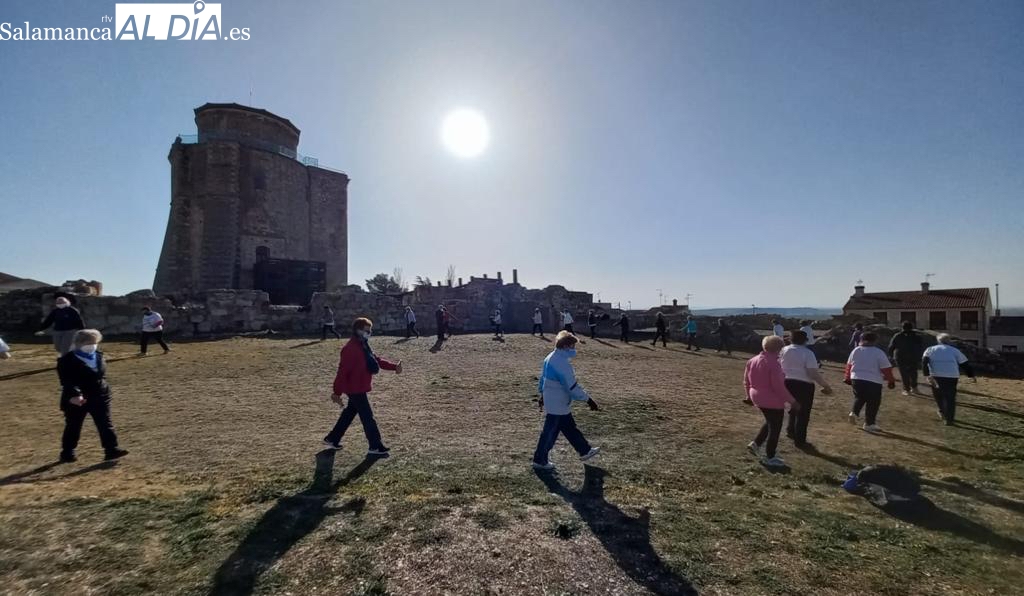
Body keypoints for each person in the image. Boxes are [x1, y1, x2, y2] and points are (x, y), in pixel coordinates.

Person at [323, 317, 403, 456]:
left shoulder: (363, 345)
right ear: (358, 330)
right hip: (355, 389)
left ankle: (332, 438)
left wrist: (394, 367)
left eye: (370, 330)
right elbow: (342, 372)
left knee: (349, 414)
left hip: (359, 387)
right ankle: (375, 446)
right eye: (367, 330)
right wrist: (336, 392)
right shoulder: (350, 349)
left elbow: (376, 361)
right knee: (367, 417)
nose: (369, 333)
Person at [56, 329, 128, 463]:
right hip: (77, 399)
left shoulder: (99, 356)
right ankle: (67, 452)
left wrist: (105, 389)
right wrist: (75, 395)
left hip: (99, 395)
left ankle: (111, 449)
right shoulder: (66, 360)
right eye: (89, 343)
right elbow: (67, 381)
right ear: (79, 343)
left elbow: (101, 375)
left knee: (105, 423)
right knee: (73, 425)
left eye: (94, 342)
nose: (92, 345)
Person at [532, 331, 601, 470]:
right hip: (558, 402)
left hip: (554, 400)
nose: (574, 350)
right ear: (565, 346)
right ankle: (539, 460)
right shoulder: (561, 363)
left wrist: (542, 395)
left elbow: (543, 379)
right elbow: (571, 386)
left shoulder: (551, 357)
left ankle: (585, 450)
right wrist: (588, 399)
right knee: (550, 432)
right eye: (572, 346)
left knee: (568, 427)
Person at [743, 335, 800, 467]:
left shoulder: (752, 360)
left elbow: (746, 380)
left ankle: (756, 444)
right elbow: (778, 387)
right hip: (772, 400)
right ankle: (770, 456)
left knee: (770, 421)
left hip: (756, 396)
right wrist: (792, 401)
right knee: (775, 428)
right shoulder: (774, 364)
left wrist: (748, 396)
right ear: (779, 348)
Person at [780, 330, 833, 447]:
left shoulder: (784, 350)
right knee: (803, 413)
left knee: (793, 408)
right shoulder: (808, 353)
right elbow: (813, 373)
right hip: (803, 384)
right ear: (806, 340)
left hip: (786, 381)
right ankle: (800, 440)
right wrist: (825, 385)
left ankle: (790, 430)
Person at [845, 332, 896, 432]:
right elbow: (886, 368)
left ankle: (854, 413)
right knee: (873, 402)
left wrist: (847, 377)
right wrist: (891, 380)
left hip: (856, 378)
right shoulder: (878, 352)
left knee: (859, 397)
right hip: (873, 380)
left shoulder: (856, 350)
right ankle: (869, 423)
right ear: (875, 340)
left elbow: (849, 365)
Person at [923, 334, 976, 426]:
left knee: (938, 395)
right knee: (950, 398)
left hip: (936, 375)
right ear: (949, 341)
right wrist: (971, 375)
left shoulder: (930, 349)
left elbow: (924, 362)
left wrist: (927, 375)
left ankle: (942, 411)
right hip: (951, 376)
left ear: (938, 341)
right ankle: (949, 419)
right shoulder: (954, 351)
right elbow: (964, 364)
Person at [888, 322, 924, 395]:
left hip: (900, 356)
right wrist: (920, 356)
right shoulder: (916, 336)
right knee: (913, 373)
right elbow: (920, 347)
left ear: (902, 327)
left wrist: (890, 355)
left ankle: (907, 389)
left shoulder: (897, 336)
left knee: (904, 373)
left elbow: (891, 346)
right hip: (913, 356)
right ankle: (914, 388)